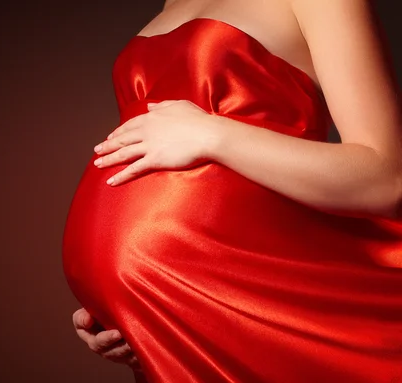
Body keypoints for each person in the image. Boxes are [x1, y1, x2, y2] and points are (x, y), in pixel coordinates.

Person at [63, 0, 402, 381]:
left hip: (264, 301)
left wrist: (212, 134)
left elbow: (387, 177)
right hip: (180, 316)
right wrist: (117, 306)